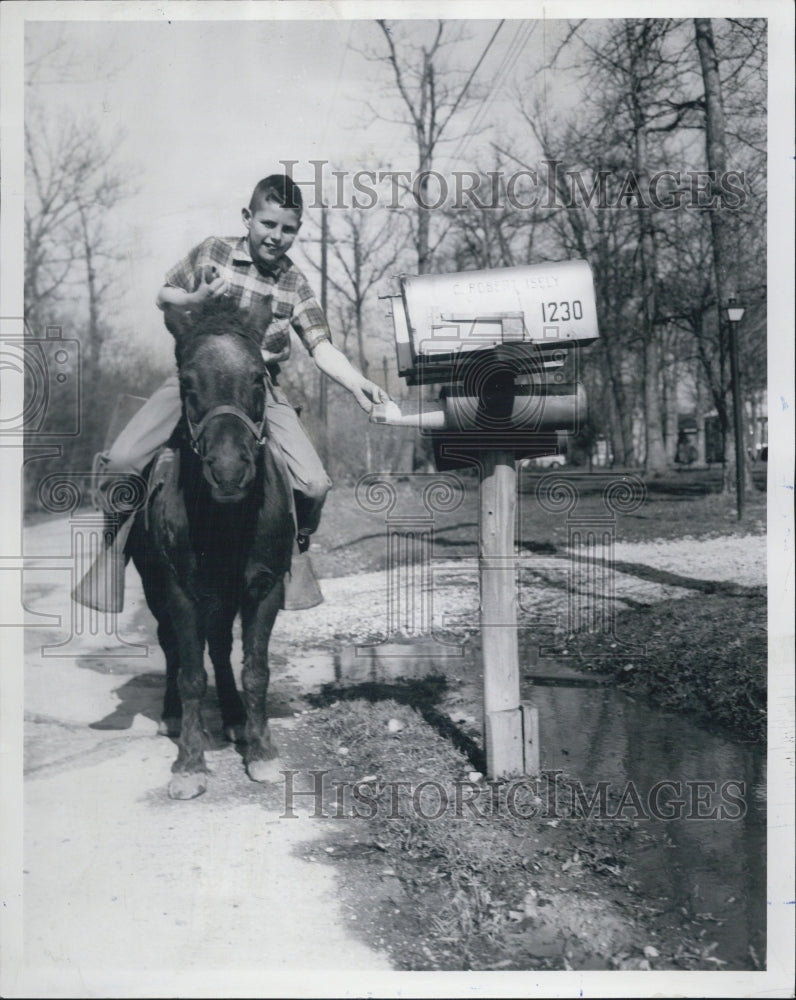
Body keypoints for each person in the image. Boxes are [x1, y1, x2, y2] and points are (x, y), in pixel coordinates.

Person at [78, 173, 389, 612]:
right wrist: (195, 297)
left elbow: (321, 346)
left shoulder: (293, 282)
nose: (276, 237)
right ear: (248, 217)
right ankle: (113, 549)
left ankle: (295, 552)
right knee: (127, 459)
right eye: (268, 224)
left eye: (288, 229)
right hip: (199, 381)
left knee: (315, 483)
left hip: (258, 388)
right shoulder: (214, 252)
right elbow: (163, 294)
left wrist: (358, 383)